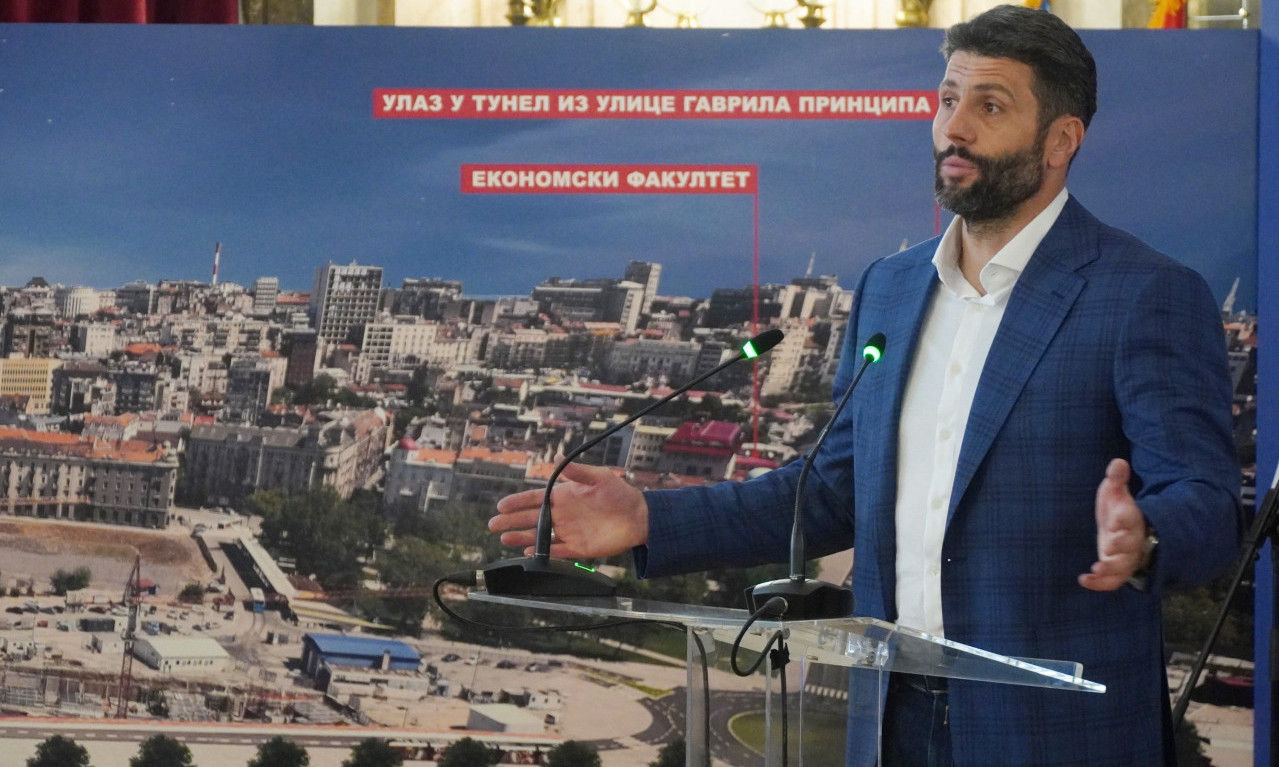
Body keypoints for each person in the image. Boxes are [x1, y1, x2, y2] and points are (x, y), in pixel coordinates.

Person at [490, 5, 1243, 765]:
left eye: (989, 106)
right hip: (889, 718)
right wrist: (650, 518)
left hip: (1054, 730)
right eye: (948, 99)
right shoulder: (890, 287)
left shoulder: (1143, 293)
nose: (954, 128)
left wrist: (1145, 536)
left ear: (1060, 140)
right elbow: (832, 491)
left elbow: (1207, 501)